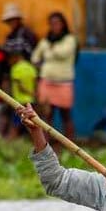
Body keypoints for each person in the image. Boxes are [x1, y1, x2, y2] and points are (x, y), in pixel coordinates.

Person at [31, 12, 78, 144]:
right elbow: (35, 56)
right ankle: (46, 144)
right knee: (46, 115)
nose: (54, 26)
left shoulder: (70, 39)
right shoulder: (45, 41)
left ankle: (71, 144)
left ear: (63, 25)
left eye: (57, 23)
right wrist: (41, 61)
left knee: (66, 114)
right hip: (46, 81)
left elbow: (63, 53)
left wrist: (49, 51)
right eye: (52, 24)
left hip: (64, 82)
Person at [7, 39, 38, 138]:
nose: (10, 60)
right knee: (32, 126)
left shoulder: (15, 69)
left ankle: (11, 143)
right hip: (31, 103)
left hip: (19, 103)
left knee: (14, 126)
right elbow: (35, 84)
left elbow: (19, 87)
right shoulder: (31, 68)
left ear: (16, 56)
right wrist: (33, 94)